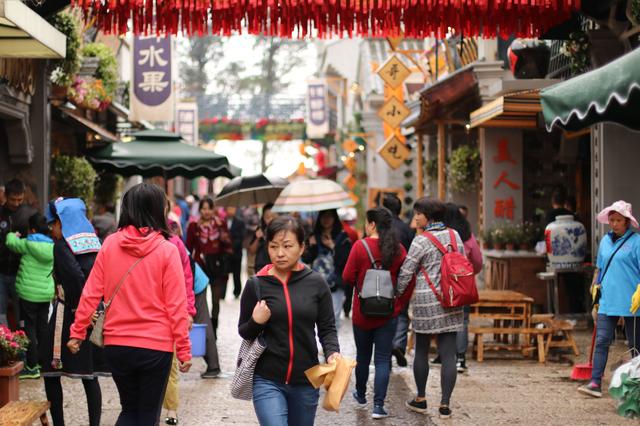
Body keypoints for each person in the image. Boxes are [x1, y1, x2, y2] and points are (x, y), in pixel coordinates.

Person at [68, 183, 192, 425]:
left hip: (118, 345)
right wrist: (184, 350)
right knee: (147, 415)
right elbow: (176, 305)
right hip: (156, 347)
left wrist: (77, 332)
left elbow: (91, 293)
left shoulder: (110, 244)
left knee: (129, 410)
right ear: (158, 210)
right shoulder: (167, 251)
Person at [238, 215, 340, 426]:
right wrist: (256, 322)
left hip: (306, 380)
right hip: (267, 379)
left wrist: (332, 352)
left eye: (287, 246)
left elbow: (327, 328)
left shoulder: (316, 283)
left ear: (302, 248)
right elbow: (244, 331)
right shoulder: (256, 285)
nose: (280, 253)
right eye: (274, 246)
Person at [396, 197, 464, 419]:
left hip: (427, 301)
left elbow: (407, 272)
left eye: (418, 213)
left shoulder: (421, 241)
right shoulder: (455, 235)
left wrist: (397, 293)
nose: (415, 217)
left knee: (422, 351)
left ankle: (421, 398)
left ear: (429, 216)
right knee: (448, 354)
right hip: (452, 299)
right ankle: (445, 404)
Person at [42, 197, 104, 426]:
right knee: (90, 374)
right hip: (94, 313)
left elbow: (75, 277)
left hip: (70, 313)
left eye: (53, 225)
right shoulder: (95, 242)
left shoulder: (62, 246)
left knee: (49, 368)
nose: (51, 230)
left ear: (63, 222)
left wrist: (80, 311)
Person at [342, 208, 407, 419]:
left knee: (362, 356)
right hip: (388, 313)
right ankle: (378, 406)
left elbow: (346, 277)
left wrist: (361, 285)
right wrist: (398, 299)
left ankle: (360, 395)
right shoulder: (398, 250)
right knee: (381, 359)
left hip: (363, 312)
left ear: (371, 224)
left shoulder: (359, 247)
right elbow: (407, 278)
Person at [578, 200, 640, 398]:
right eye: (611, 220)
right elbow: (600, 267)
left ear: (627, 222)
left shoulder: (637, 242)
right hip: (608, 300)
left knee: (635, 344)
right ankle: (595, 382)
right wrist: (595, 284)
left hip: (632, 301)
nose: (613, 223)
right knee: (602, 341)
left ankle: (636, 385)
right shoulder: (605, 241)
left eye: (618, 220)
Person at [5, 213, 54, 379]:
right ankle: (42, 362)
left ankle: (31, 367)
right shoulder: (53, 246)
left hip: (28, 294)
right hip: (45, 294)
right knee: (43, 328)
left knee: (28, 329)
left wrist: (13, 234)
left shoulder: (28, 242)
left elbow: (11, 243)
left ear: (32, 230)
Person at [163, 200, 197, 426]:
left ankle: (172, 410)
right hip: (149, 316)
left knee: (171, 365)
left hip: (172, 313)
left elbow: (187, 278)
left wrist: (189, 311)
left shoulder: (175, 243)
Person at [441, 203, 482, 373]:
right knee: (463, 321)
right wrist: (470, 273)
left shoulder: (442, 236)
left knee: (444, 319)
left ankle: (444, 356)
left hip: (444, 284)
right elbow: (478, 260)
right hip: (464, 284)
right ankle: (460, 358)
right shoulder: (467, 235)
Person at [186, 197, 232, 333]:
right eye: (204, 208)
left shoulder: (220, 224)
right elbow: (188, 247)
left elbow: (229, 246)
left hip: (217, 266)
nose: (206, 212)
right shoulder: (194, 225)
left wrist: (224, 237)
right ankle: (202, 330)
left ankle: (214, 329)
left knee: (216, 300)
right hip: (200, 266)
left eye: (209, 208)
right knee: (201, 301)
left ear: (213, 209)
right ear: (200, 209)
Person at [302, 209, 352, 331]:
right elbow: (307, 259)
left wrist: (333, 247)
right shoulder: (314, 236)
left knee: (334, 316)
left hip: (336, 283)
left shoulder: (343, 237)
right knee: (316, 315)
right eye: (323, 216)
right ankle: (318, 345)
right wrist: (311, 246)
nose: (326, 220)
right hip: (316, 283)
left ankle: (331, 347)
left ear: (335, 218)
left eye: (329, 216)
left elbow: (346, 260)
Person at [382, 193, 415, 367]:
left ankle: (385, 349)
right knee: (401, 312)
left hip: (381, 278)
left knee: (384, 314)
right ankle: (399, 345)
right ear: (399, 209)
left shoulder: (382, 228)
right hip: (402, 275)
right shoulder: (406, 229)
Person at [0, 179, 36, 326]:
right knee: (0, 314)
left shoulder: (30, 215)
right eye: (12, 199)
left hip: (21, 274)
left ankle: (22, 347)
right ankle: (4, 345)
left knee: (20, 314)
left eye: (19, 199)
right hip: (1, 272)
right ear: (5, 196)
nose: (16, 203)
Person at [247, 203, 277, 275]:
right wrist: (257, 238)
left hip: (275, 266)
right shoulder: (260, 229)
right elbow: (252, 251)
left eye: (272, 217)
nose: (270, 219)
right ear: (263, 217)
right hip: (260, 266)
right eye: (267, 217)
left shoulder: (279, 230)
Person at [226, 206, 246, 298]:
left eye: (232, 208)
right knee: (224, 274)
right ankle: (222, 292)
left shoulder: (240, 222)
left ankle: (237, 291)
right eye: (229, 208)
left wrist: (232, 246)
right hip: (225, 253)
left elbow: (241, 237)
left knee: (236, 273)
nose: (231, 210)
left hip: (236, 252)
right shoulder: (222, 222)